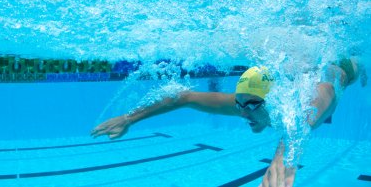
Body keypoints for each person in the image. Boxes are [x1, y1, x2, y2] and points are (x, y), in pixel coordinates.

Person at [91, 57, 366, 187]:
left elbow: (321, 100)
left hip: (340, 68)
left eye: (252, 104)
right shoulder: (245, 105)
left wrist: (283, 156)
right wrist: (130, 118)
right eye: (239, 102)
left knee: (346, 69)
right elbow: (184, 97)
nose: (244, 112)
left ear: (273, 102)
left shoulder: (301, 106)